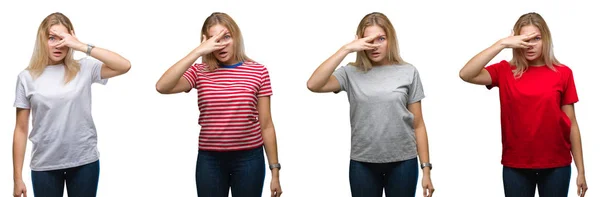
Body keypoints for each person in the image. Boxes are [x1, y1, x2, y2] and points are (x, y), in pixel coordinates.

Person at [458, 12, 589, 197]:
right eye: (524, 39)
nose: (530, 45)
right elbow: (466, 74)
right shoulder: (504, 70)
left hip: (556, 165)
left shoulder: (563, 73)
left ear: (546, 39)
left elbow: (572, 124)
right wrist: (502, 43)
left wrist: (581, 170)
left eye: (536, 38)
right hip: (516, 165)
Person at [307, 12, 435, 197]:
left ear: (390, 39)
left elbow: (418, 124)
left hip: (403, 162)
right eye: (369, 40)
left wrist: (426, 169)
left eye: (381, 39)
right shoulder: (350, 73)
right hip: (363, 163)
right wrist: (346, 49)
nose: (375, 46)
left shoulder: (408, 72)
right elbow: (313, 84)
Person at [155, 12, 282, 197]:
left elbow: (267, 124)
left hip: (249, 159)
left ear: (236, 37)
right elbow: (162, 86)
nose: (221, 44)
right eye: (215, 39)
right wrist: (198, 51)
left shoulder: (258, 71)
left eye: (227, 37)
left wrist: (275, 171)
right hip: (210, 160)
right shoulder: (199, 71)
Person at [12, 12, 131, 197]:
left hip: (84, 161)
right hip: (45, 164)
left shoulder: (84, 68)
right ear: (41, 40)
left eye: (63, 39)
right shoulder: (26, 77)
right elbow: (20, 129)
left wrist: (82, 46)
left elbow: (124, 65)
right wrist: (17, 178)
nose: (59, 44)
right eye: (52, 38)